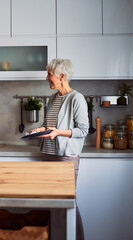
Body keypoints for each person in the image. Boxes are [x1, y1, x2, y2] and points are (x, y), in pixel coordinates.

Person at [29, 58, 88, 240]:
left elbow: (83, 129)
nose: (47, 78)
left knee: (68, 203)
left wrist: (58, 132)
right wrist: (41, 129)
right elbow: (50, 125)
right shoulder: (54, 98)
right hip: (49, 155)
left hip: (66, 158)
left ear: (62, 76)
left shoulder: (76, 98)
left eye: (49, 74)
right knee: (52, 203)